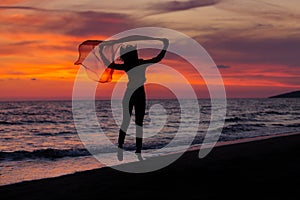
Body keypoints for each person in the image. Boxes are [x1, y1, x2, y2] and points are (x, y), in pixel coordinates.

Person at [99, 36, 169, 160]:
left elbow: (109, 64)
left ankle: (126, 149)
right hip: (138, 93)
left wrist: (101, 52)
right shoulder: (139, 63)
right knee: (137, 123)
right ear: (134, 54)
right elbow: (158, 58)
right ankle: (134, 151)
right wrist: (165, 46)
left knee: (127, 122)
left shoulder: (128, 65)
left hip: (132, 93)